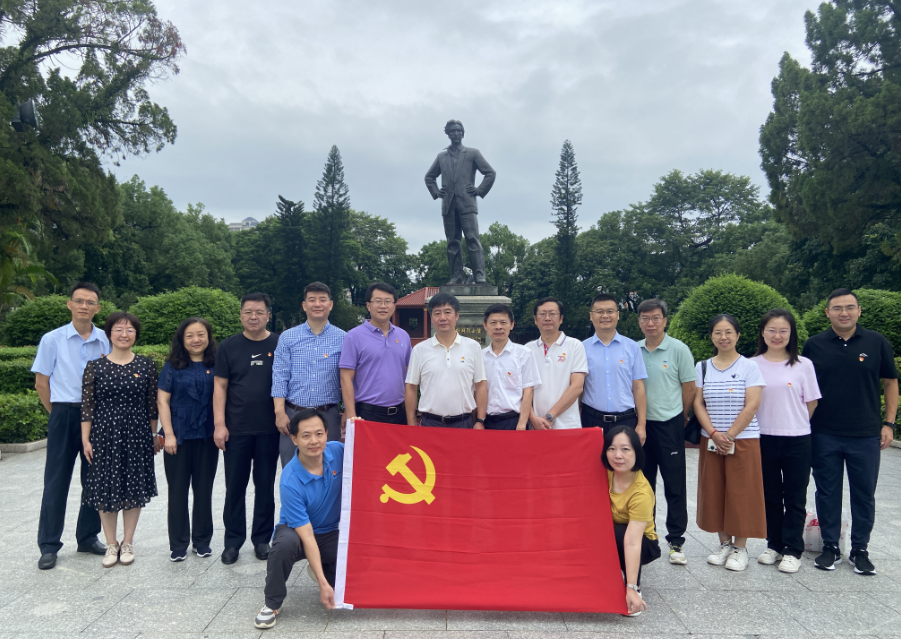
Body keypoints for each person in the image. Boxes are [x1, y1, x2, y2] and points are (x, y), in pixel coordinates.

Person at [802, 288, 898, 575]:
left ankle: (860, 549)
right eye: (837, 308)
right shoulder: (814, 345)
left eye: (849, 307)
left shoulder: (877, 342)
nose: (844, 313)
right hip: (824, 432)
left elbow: (890, 383)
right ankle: (830, 546)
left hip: (865, 434)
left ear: (858, 311)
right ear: (827, 312)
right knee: (827, 492)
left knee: (864, 493)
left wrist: (889, 424)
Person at [32, 282, 110, 570]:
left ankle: (87, 537)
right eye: (79, 301)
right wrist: (58, 414)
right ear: (69, 304)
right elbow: (41, 383)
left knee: (94, 478)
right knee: (56, 481)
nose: (84, 306)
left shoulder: (105, 340)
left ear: (97, 308)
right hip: (64, 413)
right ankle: (49, 545)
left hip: (97, 417)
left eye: (90, 302)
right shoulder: (52, 339)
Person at [80, 312, 161, 568]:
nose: (124, 334)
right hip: (104, 434)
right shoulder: (95, 366)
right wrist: (86, 440)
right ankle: (110, 543)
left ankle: (128, 542)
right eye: (118, 329)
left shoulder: (146, 365)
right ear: (109, 334)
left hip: (137, 433)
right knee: (105, 486)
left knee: (133, 486)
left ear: (136, 335)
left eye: (130, 330)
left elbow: (152, 405)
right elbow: (88, 406)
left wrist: (153, 435)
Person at [254, 409, 342, 629]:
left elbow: (371, 450)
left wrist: (361, 428)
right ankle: (272, 603)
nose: (314, 441)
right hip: (298, 532)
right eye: (306, 435)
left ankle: (324, 566)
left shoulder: (338, 451)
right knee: (284, 545)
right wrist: (322, 584)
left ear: (327, 434)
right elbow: (307, 535)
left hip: (331, 532)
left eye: (319, 434)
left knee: (348, 578)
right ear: (294, 439)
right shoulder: (290, 479)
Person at [693, 314, 767, 571]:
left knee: (742, 492)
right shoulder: (703, 366)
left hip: (743, 440)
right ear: (711, 336)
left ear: (738, 335)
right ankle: (724, 543)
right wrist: (714, 433)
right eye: (718, 332)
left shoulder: (749, 366)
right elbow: (698, 403)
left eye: (728, 332)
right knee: (715, 490)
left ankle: (740, 547)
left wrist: (730, 435)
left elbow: (752, 404)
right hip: (712, 440)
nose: (723, 337)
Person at [214, 293, 281, 565]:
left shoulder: (279, 343)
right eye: (248, 312)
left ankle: (262, 539)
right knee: (235, 487)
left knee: (265, 486)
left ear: (268, 315)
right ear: (241, 315)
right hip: (237, 429)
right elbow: (220, 386)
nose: (254, 317)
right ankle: (232, 542)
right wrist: (219, 425)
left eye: (259, 312)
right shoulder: (228, 346)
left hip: (269, 429)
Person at [752, 309, 821, 574]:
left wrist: (794, 423)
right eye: (772, 330)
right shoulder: (752, 365)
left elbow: (811, 403)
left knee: (794, 497)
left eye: (783, 330)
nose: (777, 335)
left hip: (797, 440)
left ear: (791, 334)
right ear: (763, 332)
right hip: (763, 438)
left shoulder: (803, 365)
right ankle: (774, 544)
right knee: (770, 496)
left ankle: (793, 549)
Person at [636, 298, 696, 565]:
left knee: (674, 485)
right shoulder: (634, 349)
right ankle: (647, 537)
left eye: (656, 318)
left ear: (665, 320)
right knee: (643, 485)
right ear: (639, 321)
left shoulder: (678, 349)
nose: (650, 323)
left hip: (670, 424)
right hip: (640, 425)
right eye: (645, 318)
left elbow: (689, 387)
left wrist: (681, 416)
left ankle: (676, 540)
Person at [158, 317, 219, 562]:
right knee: (177, 491)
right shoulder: (172, 367)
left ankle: (202, 541)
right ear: (182, 340)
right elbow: (163, 401)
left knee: (204, 490)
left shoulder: (216, 364)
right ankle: (178, 544)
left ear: (208, 338)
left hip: (207, 435)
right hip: (178, 436)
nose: (196, 340)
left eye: (201, 334)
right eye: (190, 335)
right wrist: (169, 434)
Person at [273, 282, 346, 465]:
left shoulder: (344, 338)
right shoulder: (288, 337)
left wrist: (346, 410)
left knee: (330, 468)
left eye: (322, 300)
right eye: (312, 300)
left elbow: (348, 379)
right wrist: (279, 412)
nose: (317, 304)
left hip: (328, 414)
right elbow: (280, 376)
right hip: (293, 413)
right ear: (304, 305)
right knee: (292, 466)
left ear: (330, 304)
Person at [424, 119, 497, 284]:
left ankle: (480, 275)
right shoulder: (441, 157)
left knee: (472, 239)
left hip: (467, 204)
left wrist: (479, 190)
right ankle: (456, 277)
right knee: (452, 242)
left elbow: (490, 173)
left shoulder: (473, 153)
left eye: (458, 131)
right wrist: (436, 192)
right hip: (448, 205)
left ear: (463, 133)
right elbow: (429, 177)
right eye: (452, 131)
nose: (456, 134)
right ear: (448, 134)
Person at [603, 424, 661, 617]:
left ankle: (634, 587)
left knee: (620, 533)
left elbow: (633, 541)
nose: (618, 455)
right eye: (612, 448)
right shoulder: (605, 473)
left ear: (637, 452)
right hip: (613, 535)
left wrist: (632, 587)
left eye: (625, 449)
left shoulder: (641, 492)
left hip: (642, 543)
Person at [405, 293, 487, 428]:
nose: (442, 318)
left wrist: (480, 420)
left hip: (463, 423)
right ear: (431, 318)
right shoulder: (420, 349)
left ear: (457, 315)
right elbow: (411, 387)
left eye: (447, 312)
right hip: (430, 423)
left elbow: (480, 385)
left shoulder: (473, 347)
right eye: (437, 313)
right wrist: (411, 423)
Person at [339, 282, 411, 427]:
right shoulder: (354, 336)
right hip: (367, 414)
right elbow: (346, 377)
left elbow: (409, 376)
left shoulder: (403, 335)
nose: (383, 306)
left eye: (388, 301)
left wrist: (410, 416)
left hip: (399, 414)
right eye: (378, 301)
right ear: (368, 305)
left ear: (394, 306)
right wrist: (351, 414)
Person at [582, 294, 648, 437]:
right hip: (591, 420)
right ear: (591, 316)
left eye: (610, 311)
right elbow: (579, 387)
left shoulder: (632, 347)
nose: (605, 316)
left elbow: (638, 387)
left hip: (626, 421)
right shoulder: (581, 349)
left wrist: (641, 425)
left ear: (617, 315)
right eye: (599, 312)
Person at [526, 297, 588, 430]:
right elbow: (523, 389)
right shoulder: (527, 349)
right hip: (535, 426)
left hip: (567, 425)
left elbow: (577, 386)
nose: (547, 318)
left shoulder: (575, 346)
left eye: (552, 314)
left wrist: (549, 416)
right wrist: (532, 418)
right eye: (542, 314)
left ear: (561, 319)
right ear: (535, 319)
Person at [481, 304, 541, 430]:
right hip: (486, 422)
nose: (498, 327)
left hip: (513, 421)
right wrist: (479, 421)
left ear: (512, 325)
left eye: (503, 322)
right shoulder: (480, 357)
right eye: (493, 323)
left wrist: (522, 423)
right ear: (485, 325)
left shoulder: (524, 354)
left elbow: (528, 392)